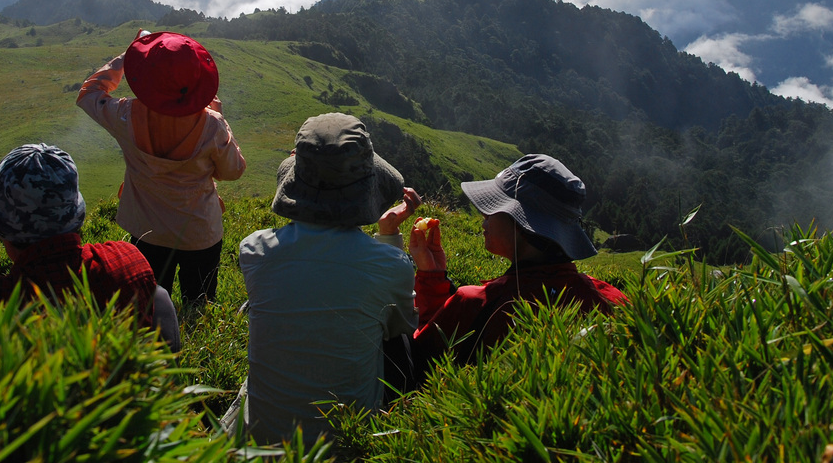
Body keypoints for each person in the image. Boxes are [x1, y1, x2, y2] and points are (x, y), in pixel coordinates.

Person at [234, 113, 418, 445]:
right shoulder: (390, 264)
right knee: (397, 338)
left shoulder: (254, 251)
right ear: (368, 188)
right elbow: (399, 327)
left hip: (261, 441)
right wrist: (388, 237)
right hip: (345, 443)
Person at [0, 143, 180, 351]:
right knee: (159, 296)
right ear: (77, 215)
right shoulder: (125, 261)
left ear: (2, 227)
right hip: (123, 390)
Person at [402, 154, 627, 378]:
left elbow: (420, 361)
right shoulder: (613, 302)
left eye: (493, 207)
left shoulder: (477, 303)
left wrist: (430, 278)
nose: (484, 216)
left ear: (519, 222)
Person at [78, 31, 246, 304]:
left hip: (147, 231)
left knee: (151, 305)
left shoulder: (124, 115)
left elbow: (89, 93)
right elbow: (233, 171)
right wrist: (219, 118)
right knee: (199, 305)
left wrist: (127, 56)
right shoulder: (212, 125)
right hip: (199, 232)